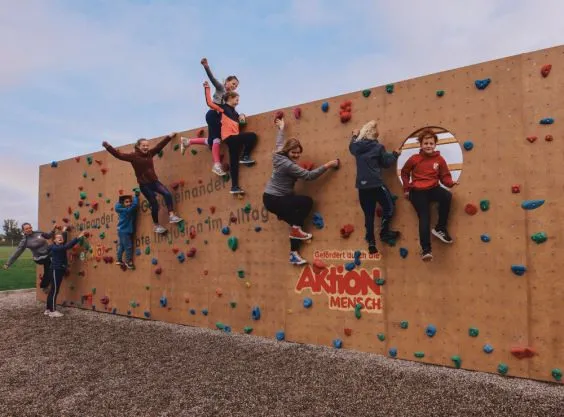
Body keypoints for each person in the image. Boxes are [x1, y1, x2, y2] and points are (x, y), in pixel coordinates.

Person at [263, 118, 339, 265]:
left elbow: (279, 142)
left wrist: (281, 128)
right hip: (275, 199)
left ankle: (294, 254)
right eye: (294, 152)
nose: (297, 155)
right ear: (288, 151)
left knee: (295, 224)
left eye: (299, 153)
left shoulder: (279, 154)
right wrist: (328, 165)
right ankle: (296, 232)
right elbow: (308, 176)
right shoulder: (287, 165)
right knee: (306, 202)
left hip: (272, 198)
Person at [102, 133, 183, 234]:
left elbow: (159, 146)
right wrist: (108, 147)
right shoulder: (133, 156)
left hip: (154, 182)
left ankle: (171, 216)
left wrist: (169, 136)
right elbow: (119, 155)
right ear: (138, 146)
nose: (146, 147)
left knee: (167, 194)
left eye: (147, 145)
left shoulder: (149, 153)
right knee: (155, 205)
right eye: (143, 145)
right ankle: (157, 226)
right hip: (145, 185)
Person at [400, 128, 459, 261]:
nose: (428, 146)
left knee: (447, 196)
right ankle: (426, 250)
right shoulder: (414, 159)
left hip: (432, 188)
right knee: (424, 217)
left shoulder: (440, 160)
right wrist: (407, 188)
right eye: (426, 143)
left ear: (435, 145)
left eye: (431, 143)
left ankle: (440, 228)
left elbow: (444, 176)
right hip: (418, 191)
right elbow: (404, 172)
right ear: (421, 144)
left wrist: (450, 183)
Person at [180, 58, 240, 177]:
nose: (234, 87)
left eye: (236, 86)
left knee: (212, 140)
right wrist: (206, 66)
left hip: (218, 117)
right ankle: (216, 164)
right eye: (233, 84)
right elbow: (212, 78)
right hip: (213, 114)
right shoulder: (221, 88)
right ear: (227, 81)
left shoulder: (230, 96)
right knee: (216, 139)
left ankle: (187, 141)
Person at [349, 120, 401, 254]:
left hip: (362, 186)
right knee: (389, 207)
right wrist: (395, 154)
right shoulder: (378, 147)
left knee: (369, 214)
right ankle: (384, 233)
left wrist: (354, 135)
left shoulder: (356, 147)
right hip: (376, 184)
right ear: (374, 135)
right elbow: (386, 163)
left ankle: (371, 242)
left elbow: (351, 146)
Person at [203, 81, 257, 194]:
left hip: (234, 140)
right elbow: (209, 102)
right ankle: (245, 156)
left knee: (234, 163)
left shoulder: (235, 113)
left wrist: (242, 117)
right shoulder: (223, 108)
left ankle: (234, 187)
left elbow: (240, 124)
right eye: (236, 99)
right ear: (230, 99)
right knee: (252, 136)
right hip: (230, 137)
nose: (238, 102)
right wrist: (207, 88)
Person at [2, 222, 59, 291]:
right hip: (39, 258)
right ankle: (45, 285)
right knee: (51, 259)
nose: (29, 229)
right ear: (23, 231)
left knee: (49, 269)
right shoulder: (25, 241)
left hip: (48, 254)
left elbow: (48, 236)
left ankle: (44, 285)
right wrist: (8, 263)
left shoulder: (39, 232)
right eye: (26, 229)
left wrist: (53, 229)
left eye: (30, 227)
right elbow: (17, 253)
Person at [45, 229, 87, 317]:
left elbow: (64, 242)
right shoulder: (56, 248)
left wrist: (64, 231)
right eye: (58, 238)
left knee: (53, 290)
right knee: (55, 290)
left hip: (58, 270)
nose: (60, 238)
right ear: (54, 240)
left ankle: (48, 309)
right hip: (55, 270)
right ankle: (52, 311)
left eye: (61, 238)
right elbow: (66, 246)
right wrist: (78, 237)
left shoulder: (58, 245)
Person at [115, 193, 139, 269]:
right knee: (128, 247)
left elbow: (117, 206)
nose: (129, 203)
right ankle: (129, 262)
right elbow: (135, 205)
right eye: (127, 202)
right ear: (123, 204)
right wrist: (135, 196)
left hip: (121, 231)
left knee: (122, 246)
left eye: (130, 201)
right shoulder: (127, 210)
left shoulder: (121, 210)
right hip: (125, 231)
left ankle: (119, 260)